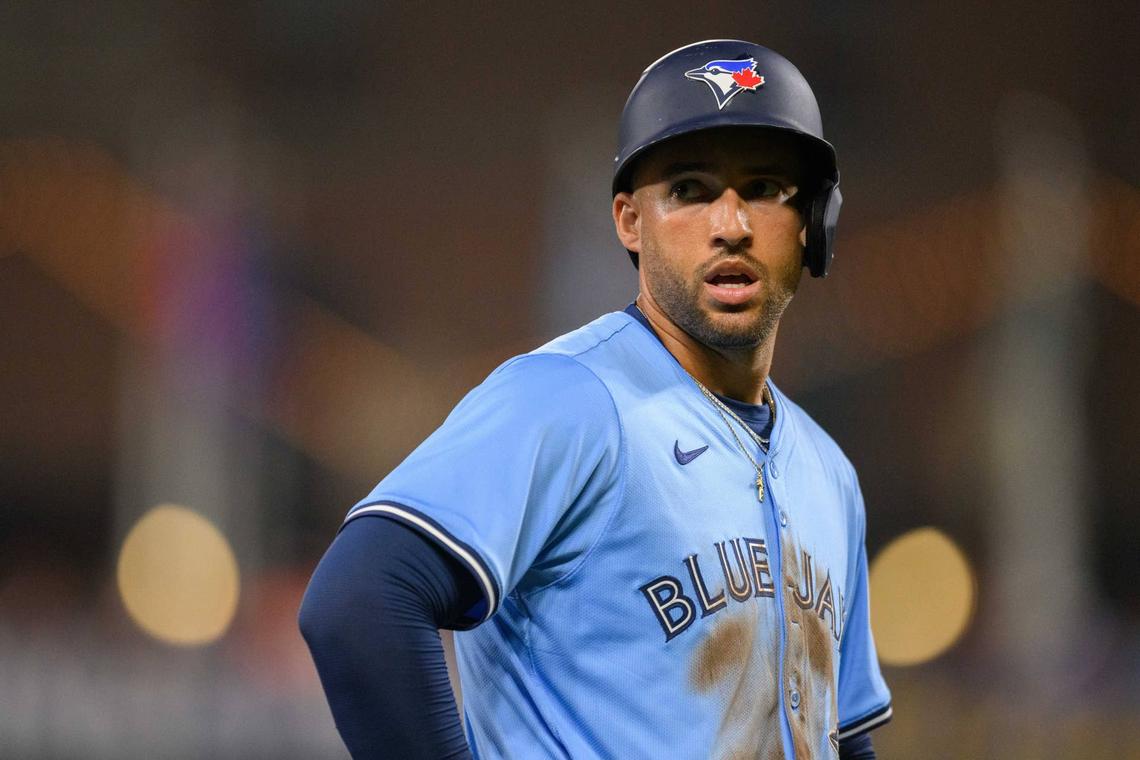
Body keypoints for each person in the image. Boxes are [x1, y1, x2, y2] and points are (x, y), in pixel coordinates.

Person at [299, 39, 891, 759]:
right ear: (629, 222)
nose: (730, 224)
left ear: (814, 226)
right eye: (690, 189)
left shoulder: (829, 473)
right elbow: (360, 603)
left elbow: (845, 737)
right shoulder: (566, 401)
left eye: (766, 189)